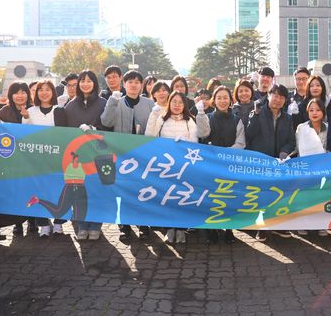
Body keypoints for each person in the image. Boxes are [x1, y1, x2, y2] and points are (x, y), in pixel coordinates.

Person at [101, 70, 155, 241]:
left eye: (137, 82)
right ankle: (124, 225)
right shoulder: (116, 101)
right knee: (124, 190)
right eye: (130, 82)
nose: (133, 85)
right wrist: (112, 102)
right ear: (124, 84)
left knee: (142, 188)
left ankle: (143, 223)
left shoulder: (149, 103)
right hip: (121, 155)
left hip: (143, 155)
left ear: (141, 85)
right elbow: (106, 122)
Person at [61, 70, 109, 239]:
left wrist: (96, 131)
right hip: (77, 156)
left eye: (89, 81)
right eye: (82, 81)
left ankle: (96, 226)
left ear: (95, 84)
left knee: (97, 191)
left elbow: (109, 127)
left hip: (99, 154)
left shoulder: (104, 103)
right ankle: (81, 225)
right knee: (79, 191)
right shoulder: (71, 105)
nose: (85, 83)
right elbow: (65, 131)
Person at [145, 91, 198, 244]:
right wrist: (153, 116)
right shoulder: (162, 119)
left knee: (181, 198)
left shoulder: (190, 121)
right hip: (165, 166)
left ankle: (181, 229)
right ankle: (169, 229)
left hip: (183, 168)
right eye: (174, 101)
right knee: (167, 198)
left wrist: (185, 143)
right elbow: (150, 136)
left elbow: (195, 144)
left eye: (180, 102)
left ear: (184, 105)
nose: (177, 105)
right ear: (169, 103)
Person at [0, 81, 36, 236]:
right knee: (16, 190)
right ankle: (18, 223)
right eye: (16, 92)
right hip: (12, 159)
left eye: (23, 92)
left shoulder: (34, 110)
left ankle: (33, 220)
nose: (20, 96)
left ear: (28, 94)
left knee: (31, 188)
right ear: (11, 95)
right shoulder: (5, 110)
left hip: (31, 157)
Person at [245, 84, 296, 241]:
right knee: (262, 195)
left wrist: (285, 151)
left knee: (278, 194)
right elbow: (249, 135)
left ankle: (278, 226)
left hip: (279, 162)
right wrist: (255, 115)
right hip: (261, 161)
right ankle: (262, 228)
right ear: (268, 96)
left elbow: (290, 140)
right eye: (275, 95)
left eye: (282, 97)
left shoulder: (287, 118)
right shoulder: (258, 112)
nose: (278, 99)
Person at [196, 86, 245, 244]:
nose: (223, 101)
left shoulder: (237, 120)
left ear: (230, 100)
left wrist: (224, 154)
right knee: (211, 197)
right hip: (210, 165)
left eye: (226, 98)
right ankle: (211, 229)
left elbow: (241, 143)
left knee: (229, 197)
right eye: (219, 98)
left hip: (230, 165)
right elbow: (202, 134)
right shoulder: (207, 117)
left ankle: (229, 229)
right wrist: (201, 113)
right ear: (214, 100)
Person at [22, 80, 66, 237]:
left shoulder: (59, 110)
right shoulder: (30, 111)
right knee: (39, 190)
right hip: (37, 159)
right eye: (40, 90)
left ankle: (59, 224)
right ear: (36, 93)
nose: (44, 92)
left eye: (48, 89)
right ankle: (43, 224)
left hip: (57, 158)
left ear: (53, 92)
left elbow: (64, 133)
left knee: (58, 190)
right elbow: (24, 133)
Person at [294, 98, 329, 237]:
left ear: (323, 112)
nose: (314, 113)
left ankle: (322, 224)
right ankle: (303, 224)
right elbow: (297, 147)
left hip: (323, 168)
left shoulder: (328, 127)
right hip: (305, 168)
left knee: (321, 196)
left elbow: (329, 147)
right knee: (305, 196)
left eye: (318, 110)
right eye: (311, 110)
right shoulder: (301, 128)